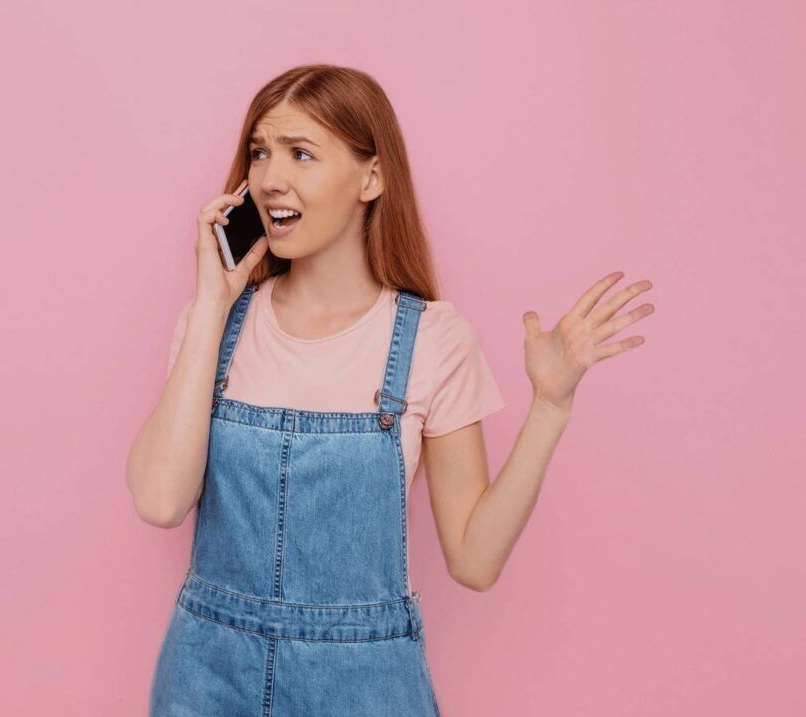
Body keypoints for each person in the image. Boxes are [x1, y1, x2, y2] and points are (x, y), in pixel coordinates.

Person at [126, 64, 654, 716]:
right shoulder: (213, 326)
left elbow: (475, 559)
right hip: (206, 681)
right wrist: (212, 303)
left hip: (364, 688)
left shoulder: (433, 339)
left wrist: (550, 405)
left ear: (370, 178)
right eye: (260, 152)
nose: (269, 178)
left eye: (300, 153)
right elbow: (158, 499)